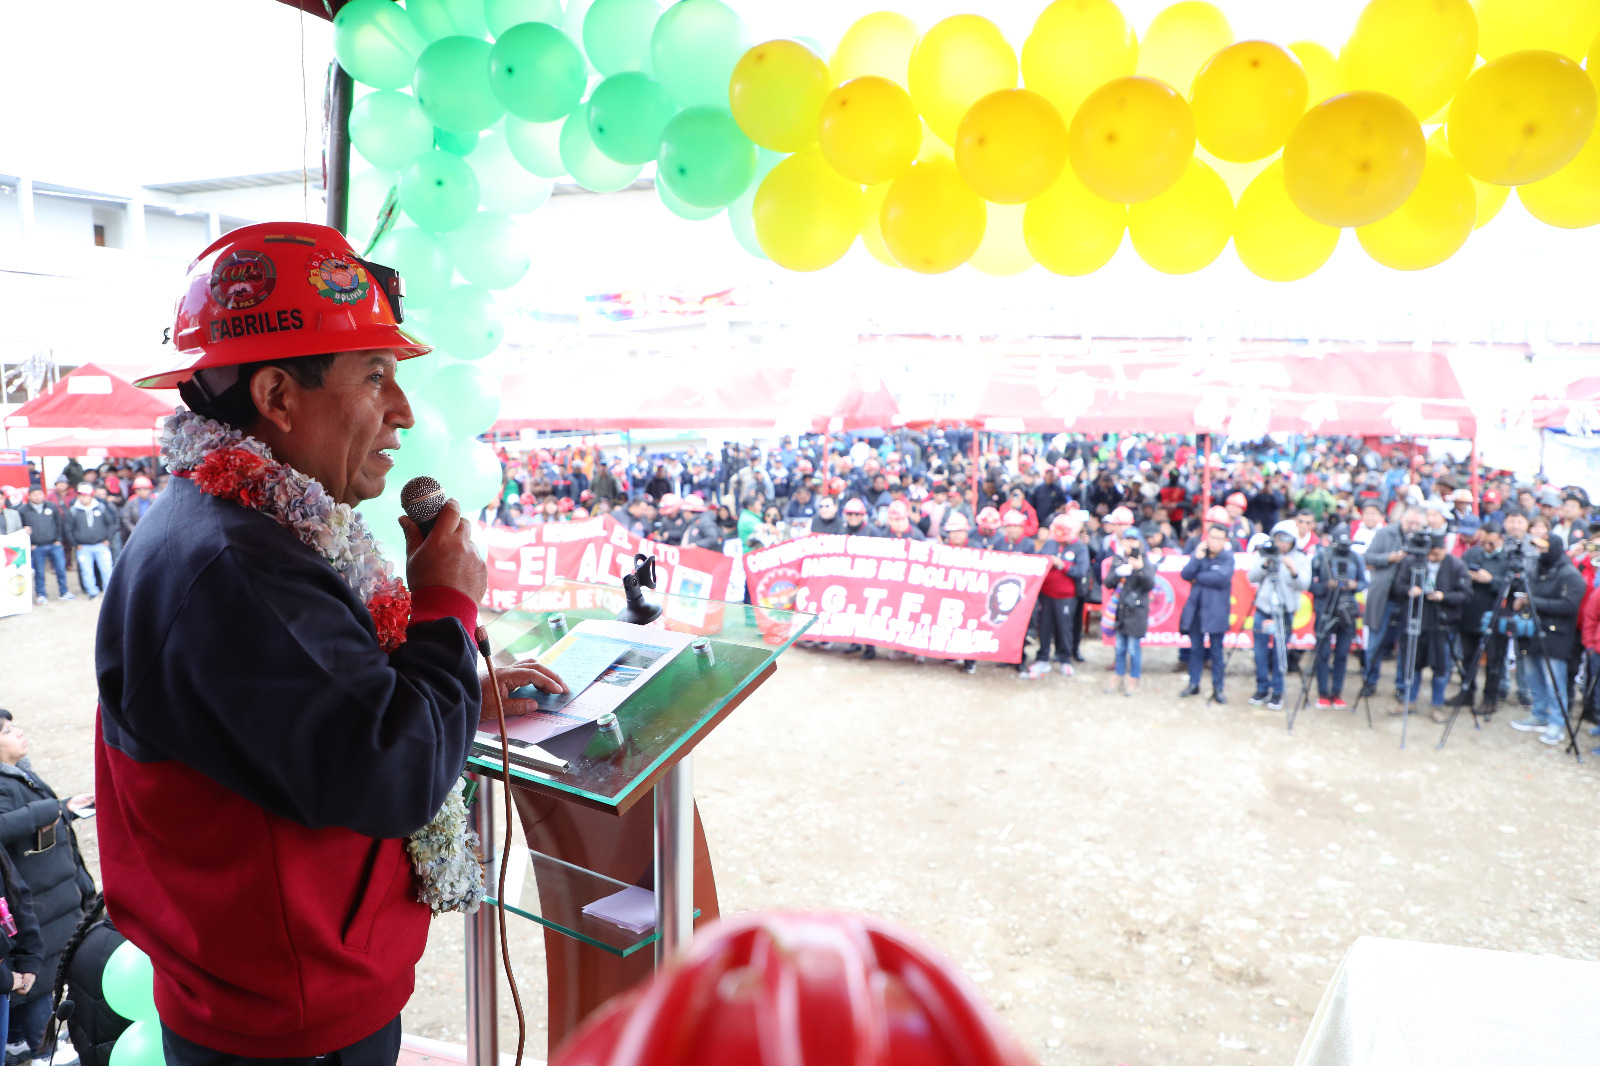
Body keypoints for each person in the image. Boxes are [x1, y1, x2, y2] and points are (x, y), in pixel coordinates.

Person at [95, 222, 569, 1066]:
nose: (405, 412)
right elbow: (392, 771)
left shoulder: (244, 528)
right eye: (376, 376)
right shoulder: (237, 564)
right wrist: (446, 604)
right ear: (278, 397)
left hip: (283, 1000)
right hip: (287, 1028)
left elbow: (326, 708)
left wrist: (459, 689)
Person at [0, 710, 95, 1060]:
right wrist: (47, 810)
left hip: (52, 895)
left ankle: (20, 1040)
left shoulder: (18, 775)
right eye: (7, 731)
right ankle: (46, 1047)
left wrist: (65, 808)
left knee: (40, 975)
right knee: (39, 980)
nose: (19, 733)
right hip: (37, 903)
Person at [1508, 532, 1586, 746]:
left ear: (1553, 549)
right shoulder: (1537, 570)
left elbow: (1569, 606)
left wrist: (1532, 601)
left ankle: (1557, 723)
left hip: (1557, 636)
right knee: (1534, 677)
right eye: (1538, 547)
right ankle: (1539, 714)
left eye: (1543, 548)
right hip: (1534, 632)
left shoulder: (1570, 574)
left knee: (1555, 682)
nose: (1539, 552)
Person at [1392, 534, 1470, 722]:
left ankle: (1437, 705)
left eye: (1436, 553)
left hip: (1443, 623)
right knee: (1413, 663)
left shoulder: (1456, 565)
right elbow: (1397, 585)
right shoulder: (1413, 562)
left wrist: (1444, 596)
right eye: (1430, 553)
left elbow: (1466, 594)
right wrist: (1409, 590)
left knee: (1441, 667)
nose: (1432, 557)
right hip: (1416, 620)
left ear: (1444, 549)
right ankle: (1409, 700)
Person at [1359, 506, 1427, 699]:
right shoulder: (1385, 533)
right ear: (1401, 519)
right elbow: (1368, 557)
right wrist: (1389, 557)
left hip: (1408, 598)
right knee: (1375, 642)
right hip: (1383, 596)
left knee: (1405, 646)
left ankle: (1401, 686)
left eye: (1417, 524)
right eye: (1410, 523)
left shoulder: (1422, 538)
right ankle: (1370, 680)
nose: (1413, 527)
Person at [1247, 520, 1310, 711]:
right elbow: (1251, 577)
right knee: (1259, 653)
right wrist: (1265, 564)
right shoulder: (1265, 553)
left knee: (1279, 654)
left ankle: (1277, 692)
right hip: (1263, 610)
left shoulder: (1300, 558)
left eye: (1286, 539)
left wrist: (1293, 570)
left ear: (1293, 540)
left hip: (1284, 612)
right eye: (1278, 538)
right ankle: (1261, 688)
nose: (1281, 543)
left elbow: (1304, 585)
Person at [1456, 520, 1513, 714]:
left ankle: (1490, 698)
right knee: (1467, 656)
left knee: (1494, 660)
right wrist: (1467, 577)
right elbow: (1457, 574)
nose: (1487, 547)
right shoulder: (1473, 553)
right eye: (1485, 542)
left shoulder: (1509, 558)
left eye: (1492, 543)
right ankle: (1467, 692)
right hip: (1469, 612)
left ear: (1501, 540)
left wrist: (1492, 580)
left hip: (1496, 616)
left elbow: (1516, 587)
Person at [1309, 525, 1367, 709]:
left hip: (1347, 609)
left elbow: (1364, 581)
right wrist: (1326, 585)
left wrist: (1353, 585)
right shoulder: (1321, 555)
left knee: (1342, 653)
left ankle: (1337, 692)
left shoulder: (1355, 557)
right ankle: (1323, 693)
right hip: (1325, 607)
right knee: (1323, 653)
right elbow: (1310, 583)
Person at [1180, 524, 1235, 703]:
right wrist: (1196, 558)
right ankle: (1193, 684)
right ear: (1206, 538)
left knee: (1216, 652)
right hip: (1197, 610)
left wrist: (1199, 576)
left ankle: (1218, 689)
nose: (1215, 541)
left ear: (1225, 541)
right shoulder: (1200, 555)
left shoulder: (1227, 557)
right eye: (1212, 537)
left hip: (1216, 611)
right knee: (1195, 650)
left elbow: (1221, 578)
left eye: (1219, 538)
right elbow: (1186, 574)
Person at [1028, 516, 1088, 679]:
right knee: (1045, 626)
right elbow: (1038, 561)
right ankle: (1042, 658)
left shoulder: (1079, 548)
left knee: (1064, 627)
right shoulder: (1050, 543)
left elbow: (1081, 571)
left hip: (1066, 596)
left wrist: (1062, 565)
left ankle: (1065, 659)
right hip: (1047, 594)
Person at [1103, 532, 1154, 696]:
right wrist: (1118, 572)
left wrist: (1138, 570)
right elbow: (1108, 582)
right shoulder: (1118, 559)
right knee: (1119, 648)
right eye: (1127, 539)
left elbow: (1150, 584)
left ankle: (1134, 678)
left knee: (1133, 649)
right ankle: (1118, 675)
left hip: (1137, 612)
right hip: (1121, 611)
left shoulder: (1144, 560)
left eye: (1134, 540)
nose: (1130, 543)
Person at [18, 489, 71, 605]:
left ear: (43, 495)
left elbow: (59, 524)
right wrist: (30, 544)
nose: (37, 497)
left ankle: (64, 592)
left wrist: (59, 540)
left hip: (54, 545)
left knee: (61, 569)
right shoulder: (23, 510)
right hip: (37, 547)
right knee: (39, 572)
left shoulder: (51, 506)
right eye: (34, 494)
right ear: (29, 496)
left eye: (39, 494)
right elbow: (21, 528)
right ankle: (41, 595)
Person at [65, 484, 118, 600]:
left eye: (85, 496)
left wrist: (108, 539)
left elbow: (110, 524)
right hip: (83, 547)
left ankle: (109, 591)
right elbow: (68, 529)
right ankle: (92, 591)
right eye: (80, 495)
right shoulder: (73, 511)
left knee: (107, 569)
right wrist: (75, 544)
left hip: (101, 545)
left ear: (91, 496)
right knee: (87, 570)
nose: (83, 498)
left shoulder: (101, 507)